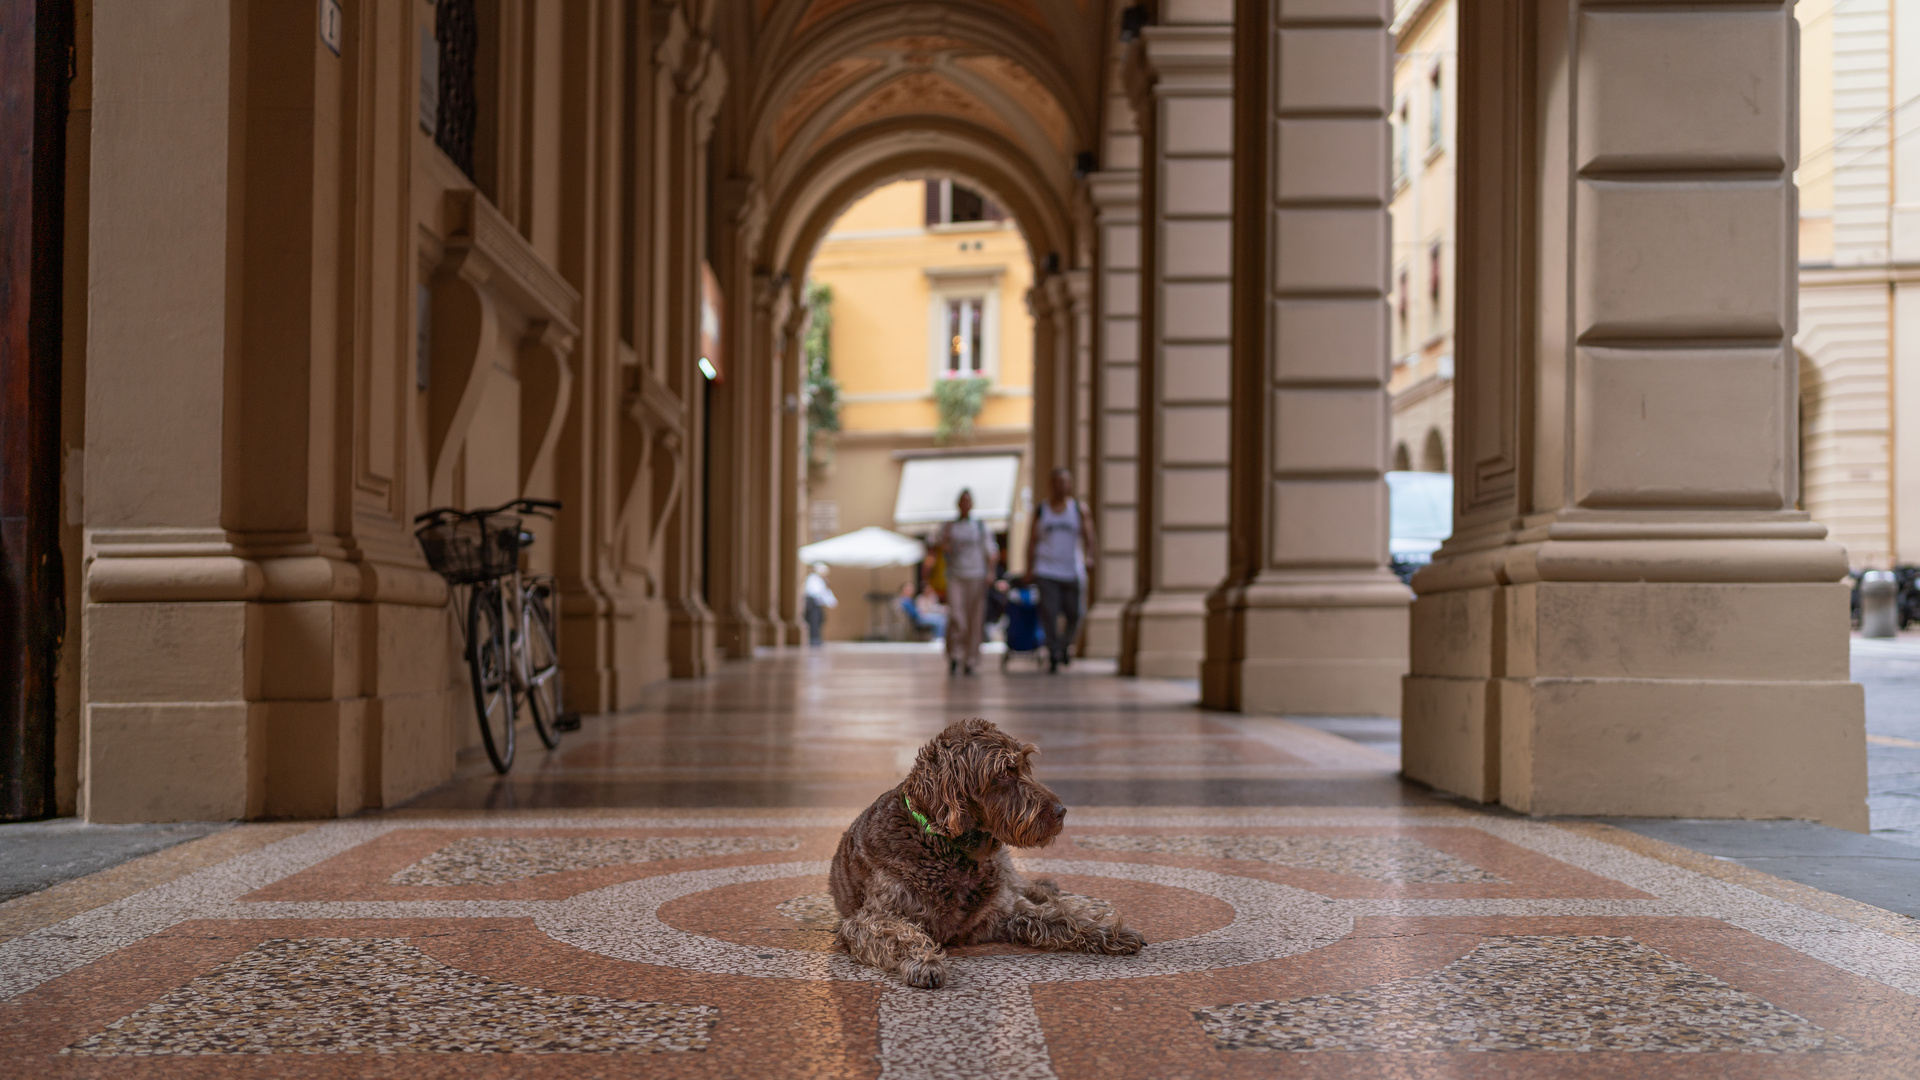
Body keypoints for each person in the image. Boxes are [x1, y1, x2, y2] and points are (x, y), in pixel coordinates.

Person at [1025, 466, 1097, 673]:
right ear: (1051, 485)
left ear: (1070, 485)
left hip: (1072, 570)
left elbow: (1089, 536)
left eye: (1065, 482)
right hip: (1046, 570)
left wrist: (1090, 557)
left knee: (1075, 613)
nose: (1061, 487)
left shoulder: (1078, 510)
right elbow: (1032, 540)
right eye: (1058, 482)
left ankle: (1065, 646)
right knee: (1049, 613)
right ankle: (1054, 651)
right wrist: (1030, 568)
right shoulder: (1042, 510)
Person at [926, 488, 997, 676]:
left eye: (968, 501)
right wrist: (944, 543)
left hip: (976, 575)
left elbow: (991, 551)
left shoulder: (980, 526)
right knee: (957, 616)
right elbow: (936, 545)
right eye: (962, 501)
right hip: (955, 575)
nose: (965, 504)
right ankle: (955, 654)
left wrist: (990, 572)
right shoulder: (949, 526)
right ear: (958, 504)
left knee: (975, 618)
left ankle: (971, 658)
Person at [803, 562, 836, 646]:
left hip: (817, 603)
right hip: (813, 603)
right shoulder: (813, 578)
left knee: (819, 620)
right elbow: (816, 592)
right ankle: (813, 639)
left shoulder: (820, 579)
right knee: (814, 621)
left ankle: (816, 638)